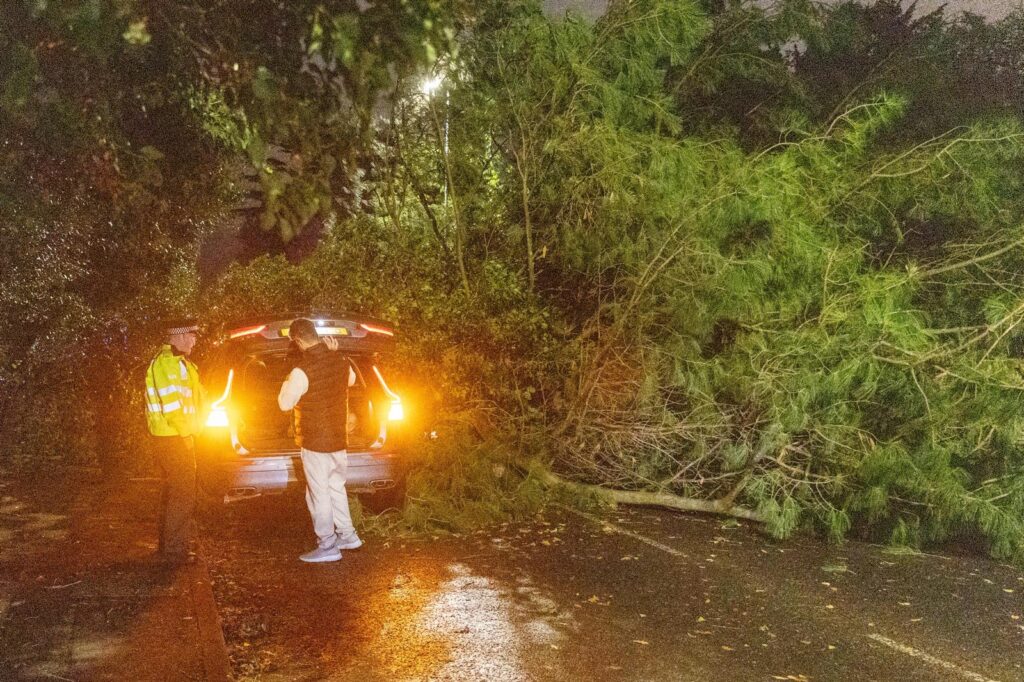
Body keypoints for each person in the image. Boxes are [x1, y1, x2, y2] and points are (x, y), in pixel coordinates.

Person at [278, 318, 362, 563]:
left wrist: (285, 380)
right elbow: (351, 381)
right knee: (336, 487)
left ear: (298, 340)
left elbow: (284, 404)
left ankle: (327, 546)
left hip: (315, 442)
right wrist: (333, 354)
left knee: (318, 494)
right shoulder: (342, 360)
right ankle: (348, 535)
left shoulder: (300, 371)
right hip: (338, 440)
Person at [145, 318, 205, 565]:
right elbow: (172, 408)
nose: (195, 340)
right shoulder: (167, 364)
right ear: (178, 336)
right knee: (182, 494)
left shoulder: (183, 364)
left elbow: (198, 399)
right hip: (173, 438)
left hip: (178, 437)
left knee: (178, 493)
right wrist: (188, 435)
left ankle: (173, 546)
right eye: (191, 336)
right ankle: (174, 551)